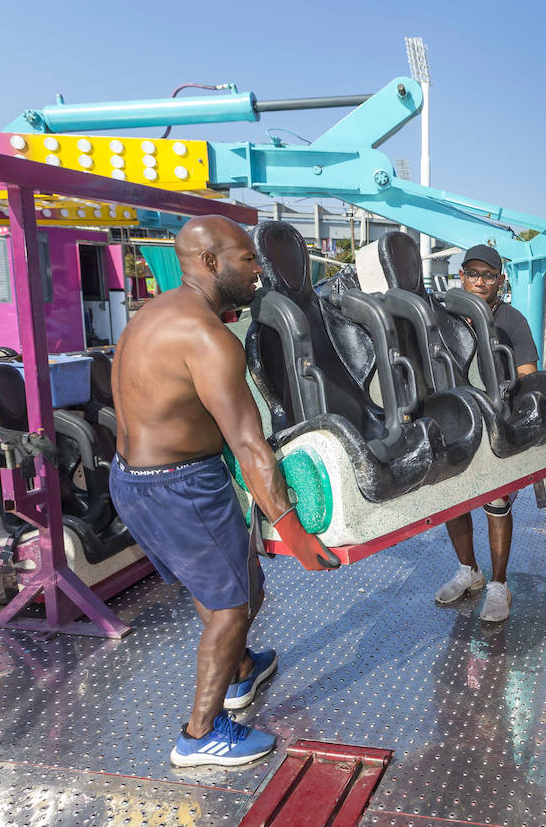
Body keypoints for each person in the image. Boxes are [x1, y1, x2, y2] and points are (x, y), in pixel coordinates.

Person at [110, 215, 338, 768]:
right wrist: (295, 532)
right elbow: (248, 445)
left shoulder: (159, 311)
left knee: (232, 584)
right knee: (232, 607)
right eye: (248, 259)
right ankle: (201, 733)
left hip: (132, 480)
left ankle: (239, 671)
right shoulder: (210, 339)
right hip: (181, 486)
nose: (258, 270)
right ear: (211, 263)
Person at [433, 244, 540, 623]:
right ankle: (469, 571)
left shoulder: (511, 320)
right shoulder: (442, 316)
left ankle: (498, 583)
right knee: (454, 502)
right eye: (473, 273)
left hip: (495, 420)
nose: (480, 281)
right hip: (453, 420)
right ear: (461, 276)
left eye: (488, 275)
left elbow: (528, 372)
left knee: (495, 503)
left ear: (500, 280)